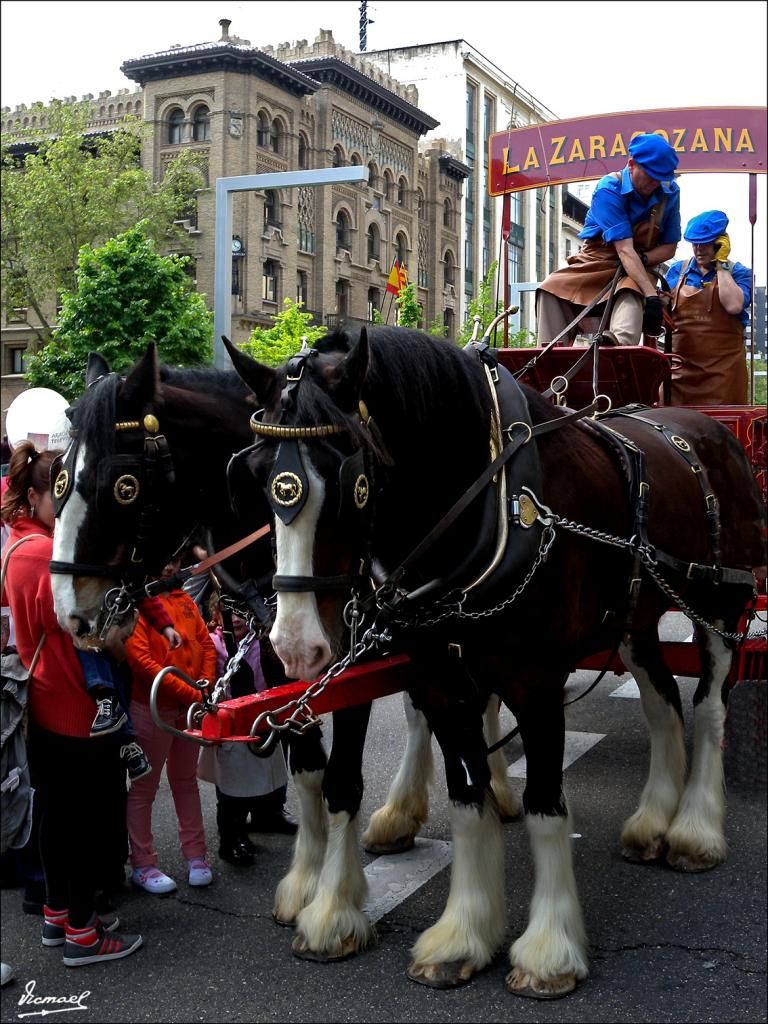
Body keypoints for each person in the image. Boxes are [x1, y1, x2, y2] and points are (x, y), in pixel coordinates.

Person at [1, 441, 142, 967]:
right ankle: (84, 932)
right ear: (34, 496)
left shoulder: (16, 546)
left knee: (57, 818)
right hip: (76, 705)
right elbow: (87, 628)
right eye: (56, 498)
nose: (63, 510)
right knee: (81, 823)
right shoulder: (44, 554)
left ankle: (59, 915)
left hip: (45, 700)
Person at [123, 557, 216, 894]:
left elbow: (206, 644)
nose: (168, 567)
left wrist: (204, 686)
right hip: (151, 707)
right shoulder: (138, 605)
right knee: (144, 787)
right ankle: (143, 864)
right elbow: (142, 662)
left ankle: (196, 856)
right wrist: (195, 692)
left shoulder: (185, 599)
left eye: (173, 560)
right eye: (162, 560)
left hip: (188, 708)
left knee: (185, 781)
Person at [537, 133, 681, 346]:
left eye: (660, 178)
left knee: (631, 288)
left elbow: (669, 248)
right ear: (631, 164)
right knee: (549, 289)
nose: (654, 183)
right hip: (595, 262)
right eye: (650, 175)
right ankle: (549, 353)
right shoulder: (609, 189)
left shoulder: (670, 193)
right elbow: (624, 250)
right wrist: (651, 296)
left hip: (638, 266)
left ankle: (617, 346)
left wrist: (643, 262)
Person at [198, 596, 293, 867]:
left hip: (263, 715)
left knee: (272, 767)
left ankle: (270, 814)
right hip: (231, 720)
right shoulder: (214, 643)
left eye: (242, 612)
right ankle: (232, 837)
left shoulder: (262, 639)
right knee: (233, 785)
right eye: (229, 613)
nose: (236, 618)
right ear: (216, 617)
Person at [664, 210, 751, 405]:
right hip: (681, 376)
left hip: (724, 379)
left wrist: (722, 266)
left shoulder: (740, 273)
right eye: (694, 244)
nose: (698, 250)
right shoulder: (677, 271)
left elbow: (733, 305)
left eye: (704, 243)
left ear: (720, 242)